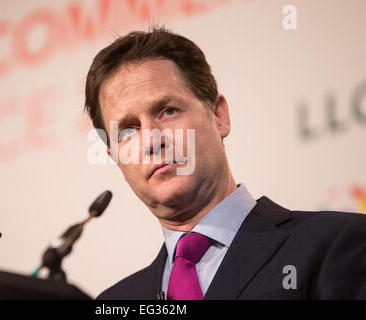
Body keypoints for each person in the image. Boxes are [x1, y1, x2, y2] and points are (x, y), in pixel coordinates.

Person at [83, 27, 366, 300]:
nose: (151, 141)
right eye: (128, 131)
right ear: (115, 157)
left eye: (168, 111)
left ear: (219, 115)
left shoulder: (336, 243)